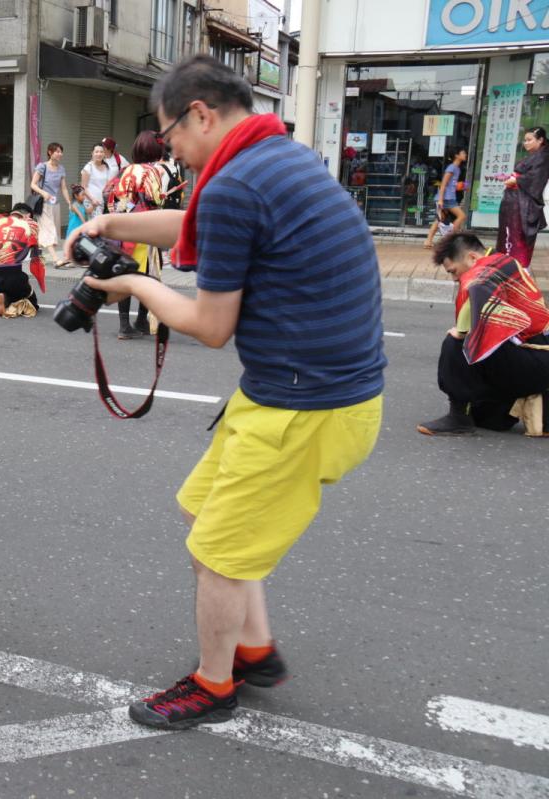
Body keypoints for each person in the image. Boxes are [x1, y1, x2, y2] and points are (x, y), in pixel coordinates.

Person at [67, 55, 385, 730]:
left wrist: (128, 285)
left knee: (217, 554)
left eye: (171, 133)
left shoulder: (239, 183)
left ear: (201, 114)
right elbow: (196, 223)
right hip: (302, 390)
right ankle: (256, 647)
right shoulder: (277, 158)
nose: (170, 149)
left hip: (304, 406)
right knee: (205, 518)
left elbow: (210, 326)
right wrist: (111, 226)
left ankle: (214, 684)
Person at [417, 231, 549, 436]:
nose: (454, 279)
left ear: (472, 258)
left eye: (453, 271)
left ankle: (458, 417)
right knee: (488, 419)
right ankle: (514, 402)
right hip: (534, 359)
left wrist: (461, 332)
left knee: (454, 343)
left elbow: (464, 330)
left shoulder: (482, 272)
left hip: (537, 358)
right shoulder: (504, 263)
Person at [103, 130, 167, 339]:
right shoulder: (153, 171)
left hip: (125, 227)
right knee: (147, 276)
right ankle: (140, 320)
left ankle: (124, 325)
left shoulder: (127, 170)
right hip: (146, 229)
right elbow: (156, 200)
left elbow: (114, 195)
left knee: (127, 274)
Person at [0, 202, 46, 318]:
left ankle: (4, 297)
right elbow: (36, 256)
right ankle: (7, 300)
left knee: (10, 285)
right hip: (11, 275)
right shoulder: (30, 225)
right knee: (31, 301)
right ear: (27, 216)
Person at [495, 127, 549, 267]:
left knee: (518, 236)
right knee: (509, 234)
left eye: (529, 140)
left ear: (540, 140)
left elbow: (536, 179)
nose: (526, 143)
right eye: (525, 140)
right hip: (514, 201)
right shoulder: (534, 156)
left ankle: (518, 266)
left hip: (523, 204)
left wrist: (515, 180)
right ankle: (507, 263)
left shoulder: (543, 157)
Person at [31, 143, 69, 268]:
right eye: (57, 151)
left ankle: (34, 251)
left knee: (48, 231)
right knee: (49, 230)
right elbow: (33, 184)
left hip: (55, 204)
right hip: (43, 204)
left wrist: (69, 203)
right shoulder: (42, 167)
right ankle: (56, 260)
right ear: (50, 152)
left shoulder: (61, 169)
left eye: (61, 151)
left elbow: (63, 188)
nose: (60, 154)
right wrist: (43, 192)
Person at [424, 147, 468, 249]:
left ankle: (428, 241)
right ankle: (449, 240)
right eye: (463, 152)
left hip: (449, 198)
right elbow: (443, 184)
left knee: (440, 219)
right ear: (457, 155)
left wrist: (462, 186)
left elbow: (451, 184)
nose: (465, 154)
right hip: (446, 199)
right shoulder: (452, 168)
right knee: (461, 216)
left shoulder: (456, 168)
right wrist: (440, 199)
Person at [79, 143, 112, 220]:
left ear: (104, 154)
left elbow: (107, 184)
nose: (99, 154)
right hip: (91, 203)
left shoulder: (106, 167)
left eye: (101, 152)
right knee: (93, 228)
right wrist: (92, 199)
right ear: (92, 153)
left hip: (102, 202)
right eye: (96, 152)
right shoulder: (88, 167)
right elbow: (83, 187)